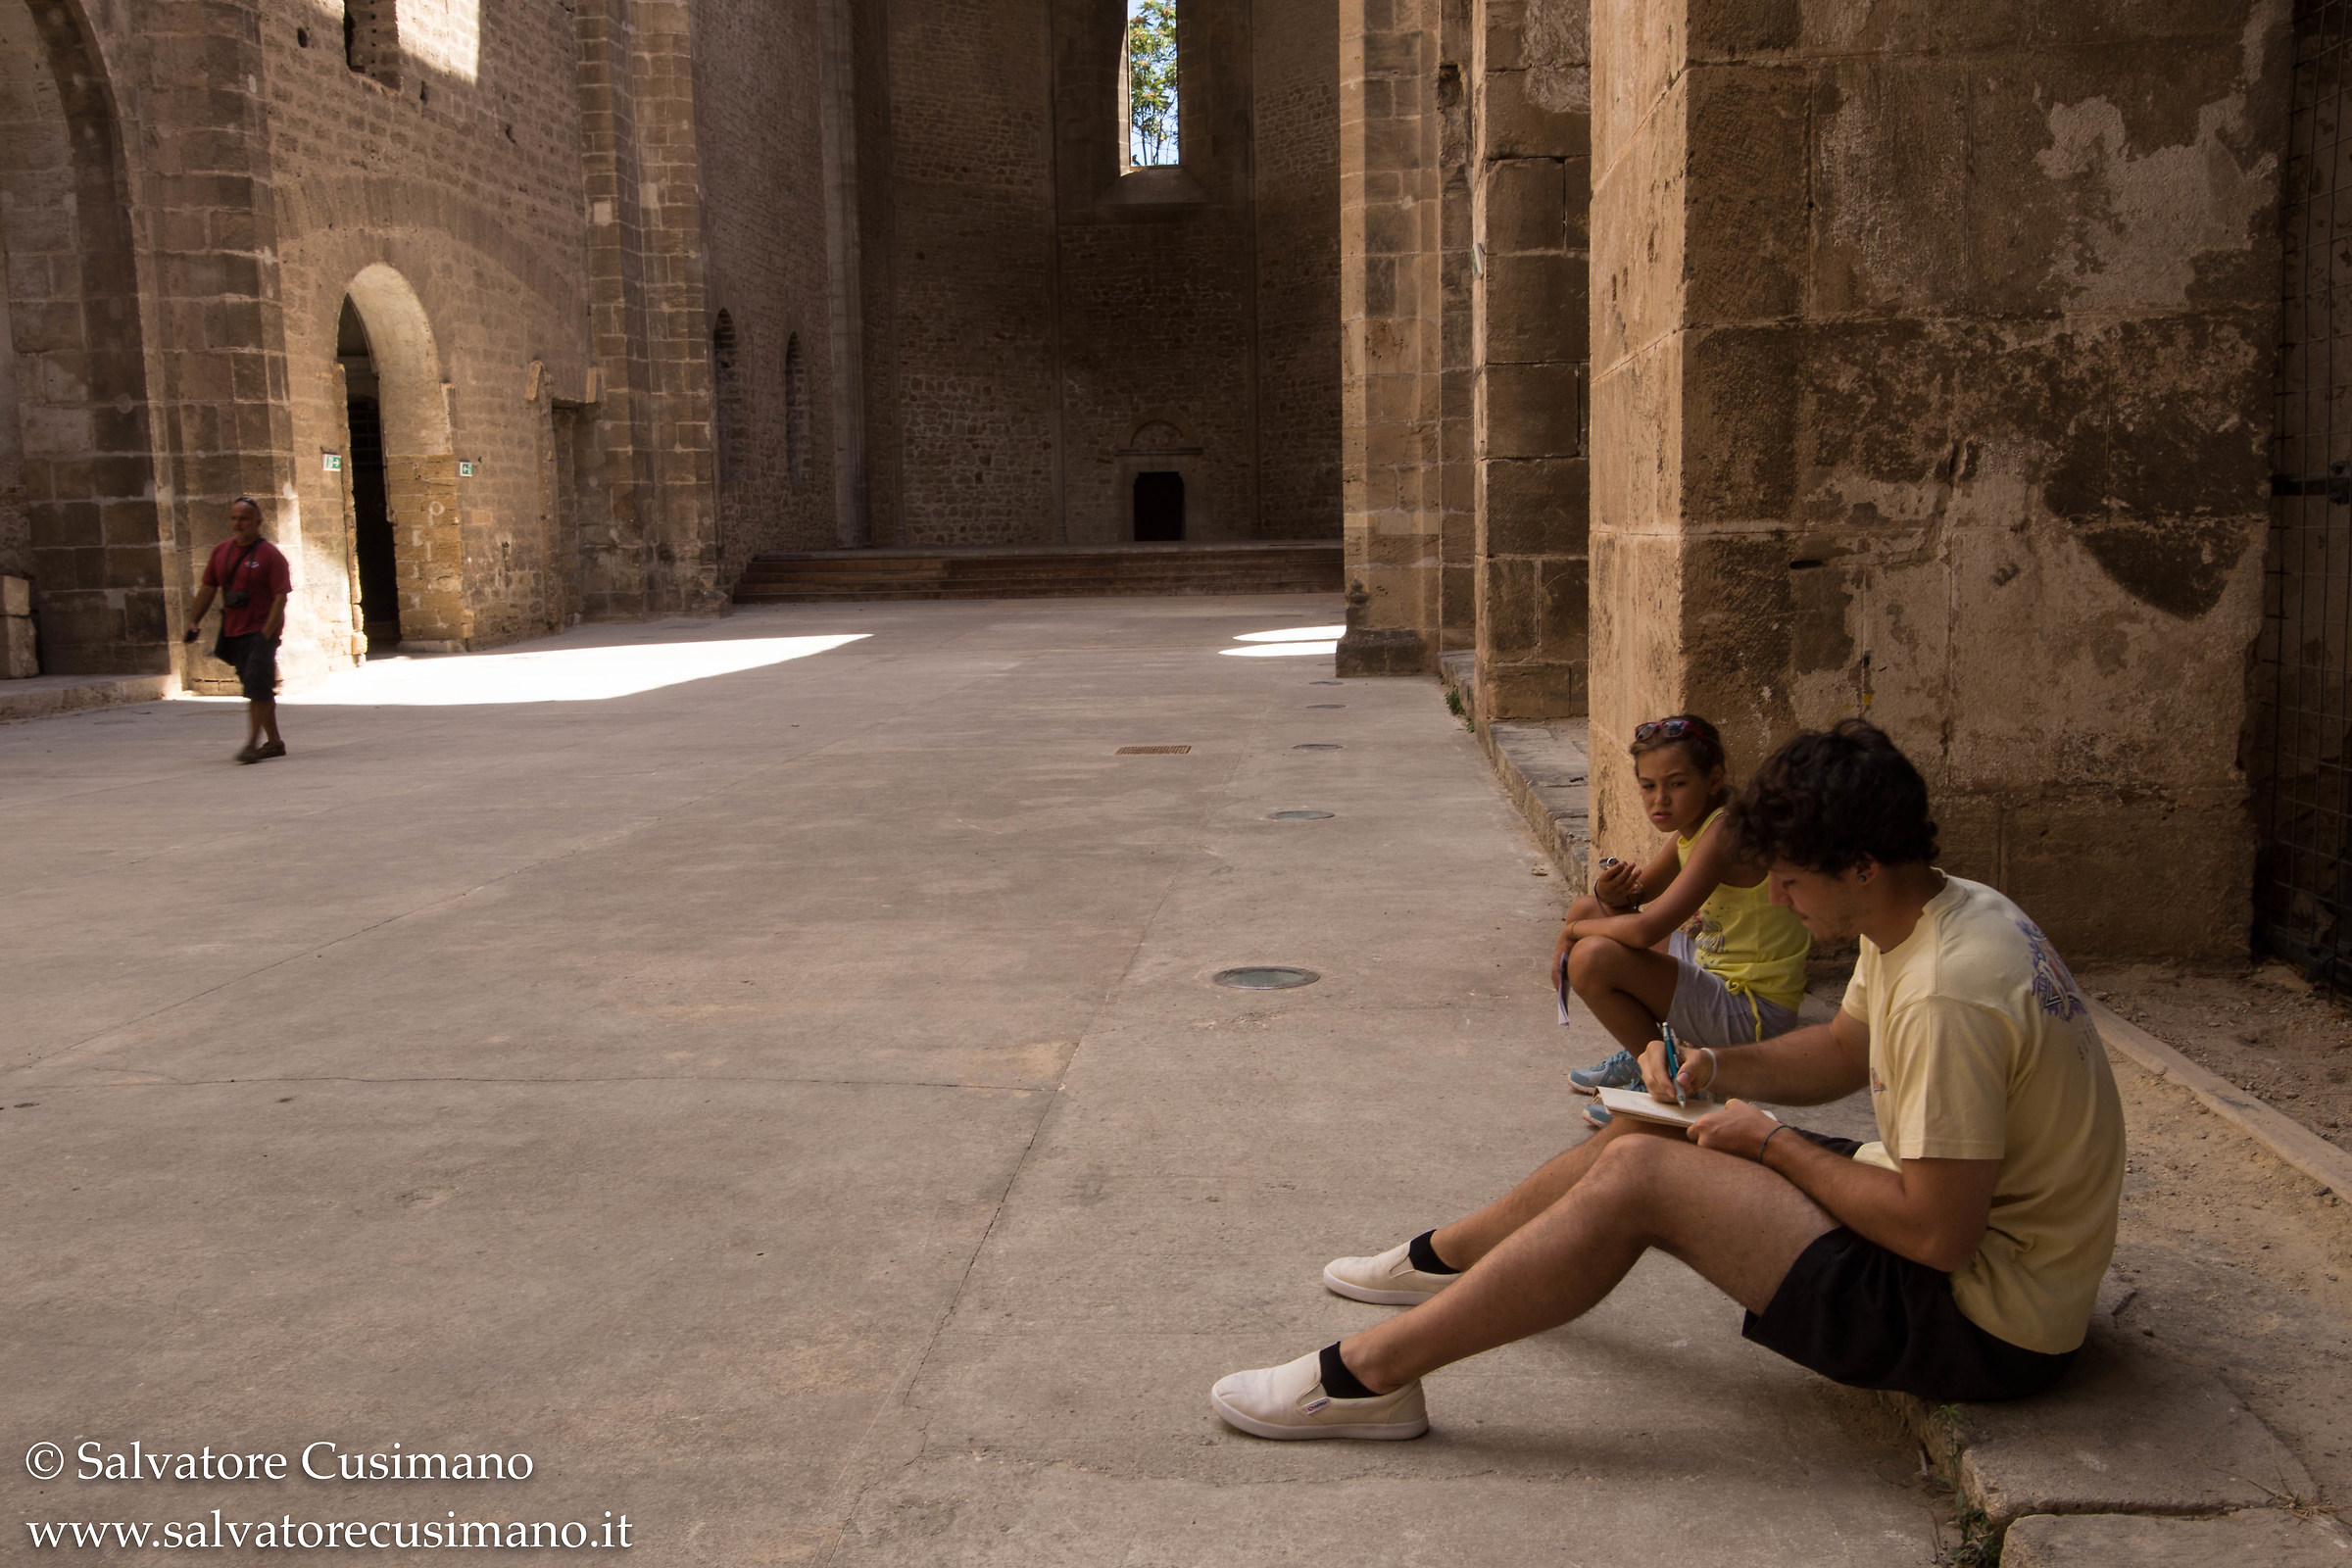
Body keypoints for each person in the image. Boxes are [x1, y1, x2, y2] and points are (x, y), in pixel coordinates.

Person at [1214, 719, 2125, 1439]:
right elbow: (1847, 1050)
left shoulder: (1944, 994)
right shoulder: (1939, 909)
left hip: (1986, 1325)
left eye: (1792, 880)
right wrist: (1713, 1068)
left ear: (1863, 865)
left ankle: (1368, 1377)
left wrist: (1767, 1138)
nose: (1775, 899)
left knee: (1645, 1177)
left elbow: (1938, 1235)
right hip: (1967, 1244)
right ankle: (1449, 1257)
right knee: (1648, 1121)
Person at [1549, 714, 1812, 1129]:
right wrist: (1606, 894)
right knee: (1587, 908)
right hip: (1714, 973)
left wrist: (1571, 933)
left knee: (1589, 957)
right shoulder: (1696, 827)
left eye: (1676, 784)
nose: (1660, 801)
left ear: (1713, 779)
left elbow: (1643, 929)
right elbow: (1638, 897)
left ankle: (1665, 1076)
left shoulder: (1726, 833)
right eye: (1648, 786)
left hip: (1753, 1012)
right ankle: (1650, 1051)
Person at [182, 497, 292, 763]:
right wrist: (194, 620)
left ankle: (251, 745)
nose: (237, 524)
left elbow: (280, 597)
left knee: (256, 684)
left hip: (261, 632)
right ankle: (275, 742)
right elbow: (209, 587)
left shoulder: (270, 556)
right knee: (258, 687)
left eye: (243, 519)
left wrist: (268, 632)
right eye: (234, 518)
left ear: (258, 522)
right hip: (234, 631)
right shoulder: (221, 551)